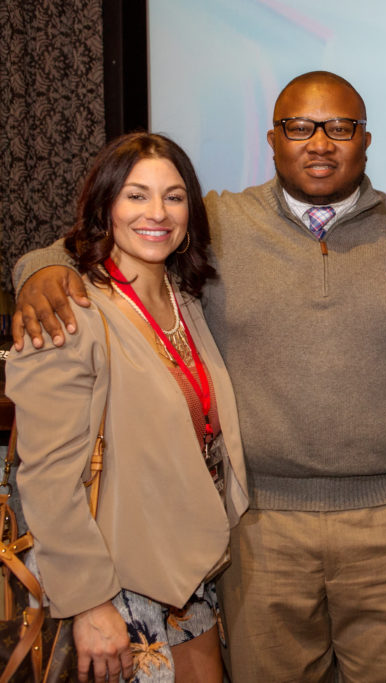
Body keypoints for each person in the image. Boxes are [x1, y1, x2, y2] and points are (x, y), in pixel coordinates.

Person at [11, 71, 386, 682]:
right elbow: (96, 238)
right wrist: (37, 272)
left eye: (340, 127)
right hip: (256, 530)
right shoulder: (216, 221)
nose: (319, 142)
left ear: (366, 140)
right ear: (272, 140)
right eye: (299, 127)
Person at [5, 132, 248, 681]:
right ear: (104, 206)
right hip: (114, 584)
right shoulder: (68, 311)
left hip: (187, 576)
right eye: (136, 195)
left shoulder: (185, 299)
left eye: (173, 196)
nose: (156, 212)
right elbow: (46, 477)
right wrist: (89, 603)